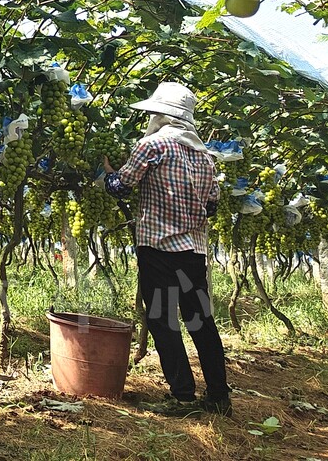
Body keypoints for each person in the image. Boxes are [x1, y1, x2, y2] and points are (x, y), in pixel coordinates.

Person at [102, 81, 231, 417]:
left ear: (161, 114)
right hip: (193, 253)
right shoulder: (206, 158)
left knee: (162, 319)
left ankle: (183, 396)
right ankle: (219, 397)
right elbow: (213, 205)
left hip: (158, 249)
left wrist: (106, 176)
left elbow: (122, 186)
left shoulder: (152, 146)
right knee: (201, 321)